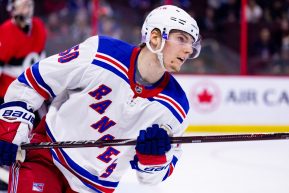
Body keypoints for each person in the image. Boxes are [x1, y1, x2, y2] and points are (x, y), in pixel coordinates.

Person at [0, 4, 201, 193]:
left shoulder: (176, 107)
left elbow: (155, 177)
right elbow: (33, 81)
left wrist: (154, 158)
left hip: (94, 187)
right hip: (47, 158)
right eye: (182, 39)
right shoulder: (101, 53)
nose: (189, 49)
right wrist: (10, 128)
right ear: (155, 37)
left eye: (192, 43)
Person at [0, 0, 46, 104]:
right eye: (23, 6)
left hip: (34, 91)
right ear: (12, 9)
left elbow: (42, 59)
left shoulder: (38, 26)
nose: (28, 9)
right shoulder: (4, 33)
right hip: (9, 95)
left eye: (29, 4)